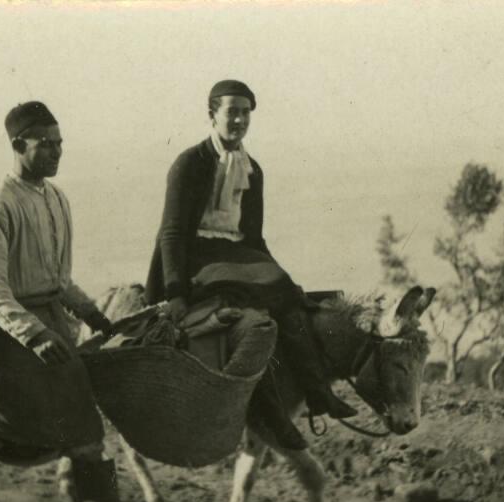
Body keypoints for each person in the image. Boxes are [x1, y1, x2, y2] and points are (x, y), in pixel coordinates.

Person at [145, 80, 356, 450]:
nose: (239, 119)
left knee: (287, 294)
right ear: (212, 114)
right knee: (253, 317)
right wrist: (175, 291)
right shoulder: (189, 163)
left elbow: (254, 238)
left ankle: (317, 392)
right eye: (232, 111)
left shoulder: (252, 169)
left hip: (237, 254)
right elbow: (173, 232)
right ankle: (271, 415)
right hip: (195, 256)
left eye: (246, 112)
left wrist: (280, 278)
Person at [0, 101, 122, 502]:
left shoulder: (56, 199)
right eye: (46, 145)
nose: (57, 152)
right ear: (18, 145)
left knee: (86, 442)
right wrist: (35, 335)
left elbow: (58, 278)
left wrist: (90, 311)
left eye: (60, 144)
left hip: (54, 331)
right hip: (3, 339)